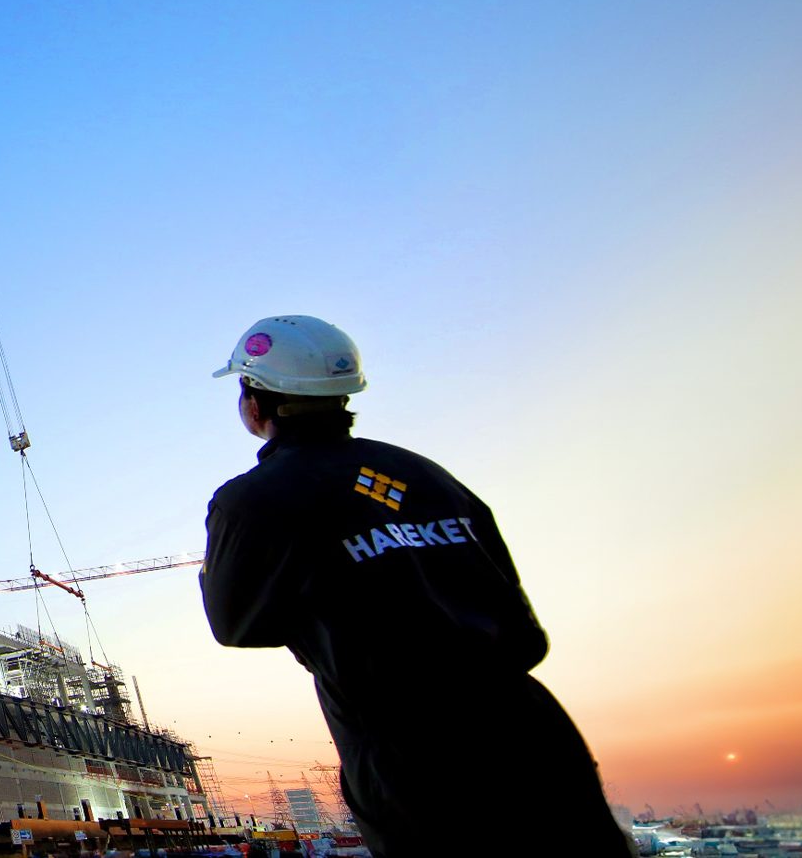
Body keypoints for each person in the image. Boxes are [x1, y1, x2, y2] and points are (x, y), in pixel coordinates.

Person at [198, 315, 631, 856]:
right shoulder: (428, 476)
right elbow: (515, 613)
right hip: (531, 728)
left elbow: (236, 624)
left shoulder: (253, 499)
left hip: (408, 751)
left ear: (254, 402)